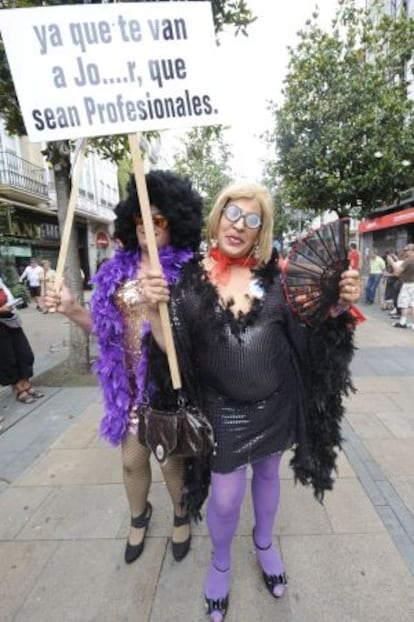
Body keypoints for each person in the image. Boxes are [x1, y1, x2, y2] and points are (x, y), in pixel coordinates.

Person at [141, 182, 361, 621]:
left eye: (252, 219)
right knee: (224, 496)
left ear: (262, 231)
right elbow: (176, 353)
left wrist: (339, 304)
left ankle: (264, 543)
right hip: (222, 409)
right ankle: (221, 562)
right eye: (232, 214)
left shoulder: (277, 279)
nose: (239, 225)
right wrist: (152, 309)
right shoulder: (186, 281)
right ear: (217, 217)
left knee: (267, 475)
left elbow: (313, 330)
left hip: (277, 403)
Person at [44, 170, 203, 565]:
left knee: (170, 461)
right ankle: (140, 515)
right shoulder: (115, 271)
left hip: (167, 387)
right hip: (128, 389)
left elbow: (191, 345)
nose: (148, 226)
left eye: (159, 219)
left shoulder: (189, 273)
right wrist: (72, 309)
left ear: (176, 223)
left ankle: (181, 514)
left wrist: (160, 303)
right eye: (141, 218)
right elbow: (105, 330)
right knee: (132, 461)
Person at [0, 276, 45, 403]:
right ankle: (19, 389)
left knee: (24, 354)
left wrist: (11, 305)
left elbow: (8, 297)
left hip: (11, 322)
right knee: (8, 359)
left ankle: (26, 383)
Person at [387, 244, 414, 329]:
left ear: (411, 251)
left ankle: (402, 322)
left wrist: (391, 262)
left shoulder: (409, 261)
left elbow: (397, 272)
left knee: (404, 304)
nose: (405, 252)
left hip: (408, 285)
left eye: (406, 250)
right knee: (413, 304)